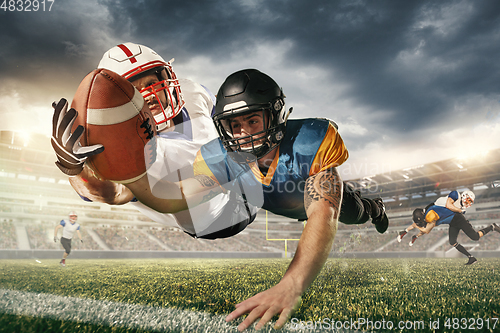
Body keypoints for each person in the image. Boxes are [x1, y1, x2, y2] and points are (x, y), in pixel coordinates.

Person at [125, 69, 389, 331]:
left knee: (353, 212)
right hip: (283, 202)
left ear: (275, 115)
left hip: (316, 198)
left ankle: (374, 208)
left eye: (252, 121)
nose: (243, 133)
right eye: (235, 125)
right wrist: (128, 177)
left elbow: (324, 213)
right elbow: (177, 197)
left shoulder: (310, 140)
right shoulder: (218, 156)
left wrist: (292, 284)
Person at [51, 42, 256, 238]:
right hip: (214, 221)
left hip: (242, 188)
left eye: (152, 83)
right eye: (136, 90)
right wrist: (75, 170)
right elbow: (110, 193)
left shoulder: (192, 92)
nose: (149, 94)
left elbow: (221, 111)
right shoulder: (126, 151)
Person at [397, 190, 500, 264]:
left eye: (470, 202)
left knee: (475, 237)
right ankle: (471, 257)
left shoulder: (448, 209)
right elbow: (448, 206)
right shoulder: (455, 195)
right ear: (464, 195)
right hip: (453, 220)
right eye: (468, 200)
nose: (468, 203)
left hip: (457, 219)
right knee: (452, 241)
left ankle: (492, 227)